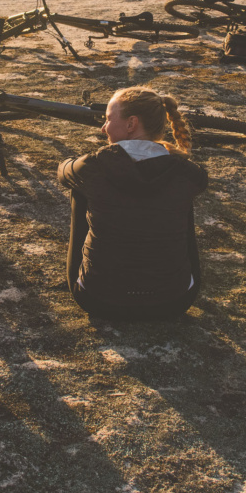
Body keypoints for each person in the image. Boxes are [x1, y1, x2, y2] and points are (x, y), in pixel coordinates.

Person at [57, 87, 208, 320]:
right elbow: (199, 180)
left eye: (108, 119)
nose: (103, 128)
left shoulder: (92, 167)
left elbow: (63, 172)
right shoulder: (187, 172)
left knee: (80, 189)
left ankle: (94, 274)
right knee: (178, 194)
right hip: (174, 301)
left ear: (131, 124)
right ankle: (171, 274)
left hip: (98, 300)